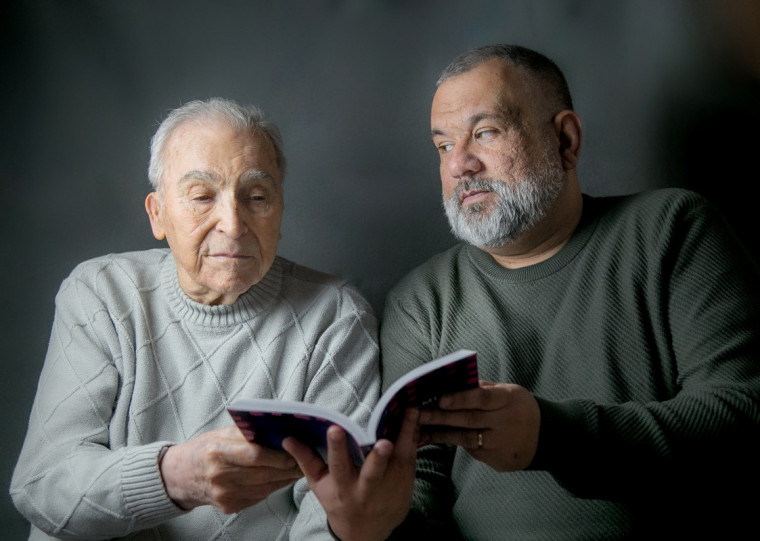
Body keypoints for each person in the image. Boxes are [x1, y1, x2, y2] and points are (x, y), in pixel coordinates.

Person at [287, 45, 760, 539]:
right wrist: (374, 526)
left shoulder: (670, 229)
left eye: (485, 133)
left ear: (565, 140)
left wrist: (548, 436)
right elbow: (420, 492)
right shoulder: (422, 301)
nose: (459, 166)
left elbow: (743, 412)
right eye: (444, 146)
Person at [10, 98, 380, 540]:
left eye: (257, 197)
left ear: (280, 211)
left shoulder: (335, 316)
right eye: (203, 196)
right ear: (157, 213)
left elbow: (329, 518)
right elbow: (43, 486)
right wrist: (175, 476)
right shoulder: (100, 294)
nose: (233, 224)